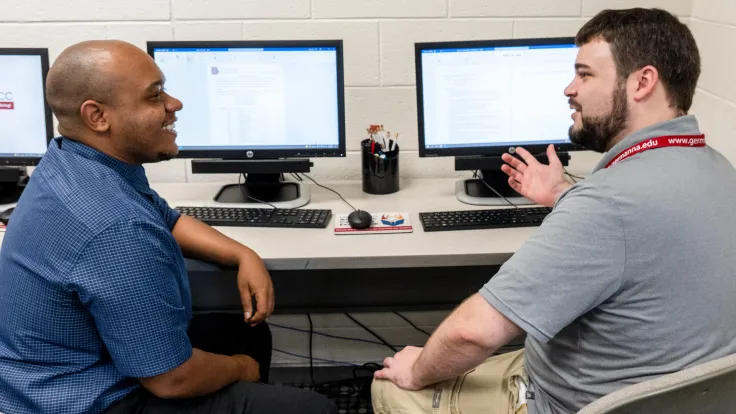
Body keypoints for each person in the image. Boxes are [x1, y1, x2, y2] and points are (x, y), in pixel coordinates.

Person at [372, 8, 736, 414]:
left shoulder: (606, 205)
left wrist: (416, 371)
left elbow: (471, 335)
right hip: (681, 397)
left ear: (642, 82)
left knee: (393, 388)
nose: (569, 89)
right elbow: (638, 235)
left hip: (568, 403)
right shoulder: (718, 169)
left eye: (585, 74)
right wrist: (564, 194)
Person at [0, 40, 336, 414]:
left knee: (247, 332)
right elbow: (172, 380)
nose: (174, 104)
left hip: (46, 373)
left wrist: (243, 254)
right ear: (97, 116)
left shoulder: (71, 161)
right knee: (310, 407)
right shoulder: (116, 228)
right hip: (82, 400)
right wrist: (243, 368)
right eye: (154, 96)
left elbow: (166, 217)